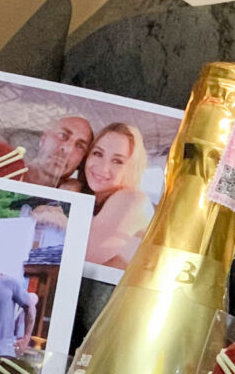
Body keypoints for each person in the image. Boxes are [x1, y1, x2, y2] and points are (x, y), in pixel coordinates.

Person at [81, 122, 153, 270]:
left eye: (117, 161)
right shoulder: (92, 200)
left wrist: (63, 221)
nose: (103, 167)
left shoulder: (133, 200)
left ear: (132, 167)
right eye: (98, 153)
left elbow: (85, 253)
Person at [22, 114, 94, 189]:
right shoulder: (11, 171)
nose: (68, 149)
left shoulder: (76, 194)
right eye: (63, 135)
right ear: (44, 138)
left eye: (80, 146)